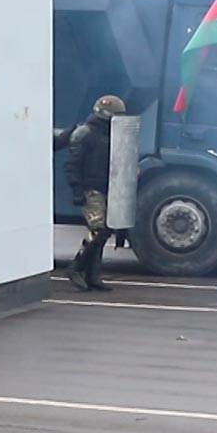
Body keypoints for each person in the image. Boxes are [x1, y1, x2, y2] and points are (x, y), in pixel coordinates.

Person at [64, 94, 127, 291]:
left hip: (103, 188)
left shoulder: (108, 135)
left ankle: (93, 276)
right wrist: (77, 190)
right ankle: (76, 267)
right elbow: (72, 165)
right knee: (98, 230)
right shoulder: (85, 134)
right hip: (90, 189)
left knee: (105, 229)